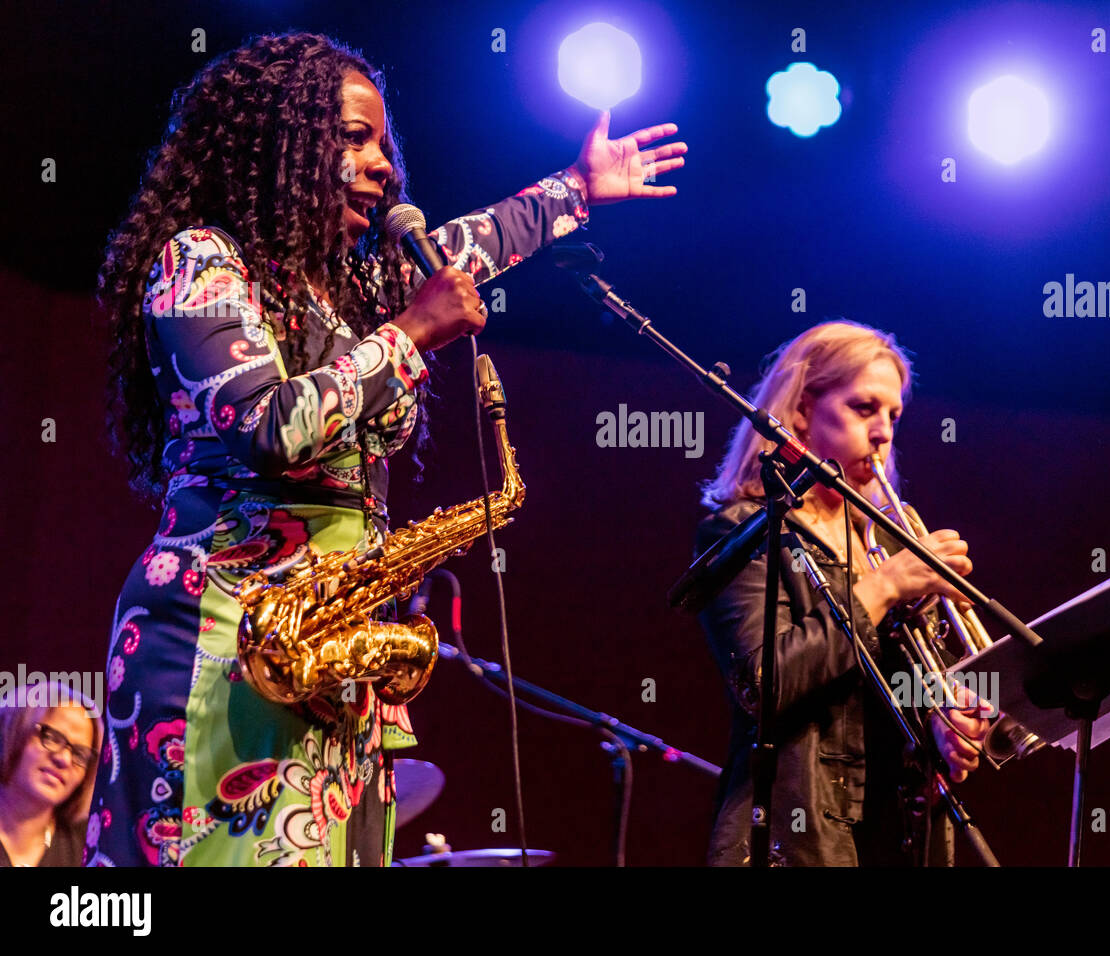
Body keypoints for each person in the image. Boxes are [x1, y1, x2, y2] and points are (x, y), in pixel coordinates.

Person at [92, 31, 686, 867]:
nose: (383, 165)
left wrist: (576, 190)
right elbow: (263, 425)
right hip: (219, 636)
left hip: (329, 638)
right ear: (279, 145)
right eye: (353, 137)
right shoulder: (200, 260)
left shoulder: (344, 292)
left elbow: (471, 247)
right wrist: (412, 333)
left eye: (384, 142)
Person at [695, 320, 990, 866]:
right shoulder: (744, 529)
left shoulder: (884, 536)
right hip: (795, 837)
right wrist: (882, 589)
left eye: (894, 416)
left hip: (897, 834)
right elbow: (762, 684)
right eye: (864, 408)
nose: (883, 432)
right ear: (803, 409)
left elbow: (901, 688)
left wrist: (941, 720)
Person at [0, 681, 103, 867]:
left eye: (80, 754)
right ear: (11, 730)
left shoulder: (88, 851)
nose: (64, 759)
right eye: (52, 737)